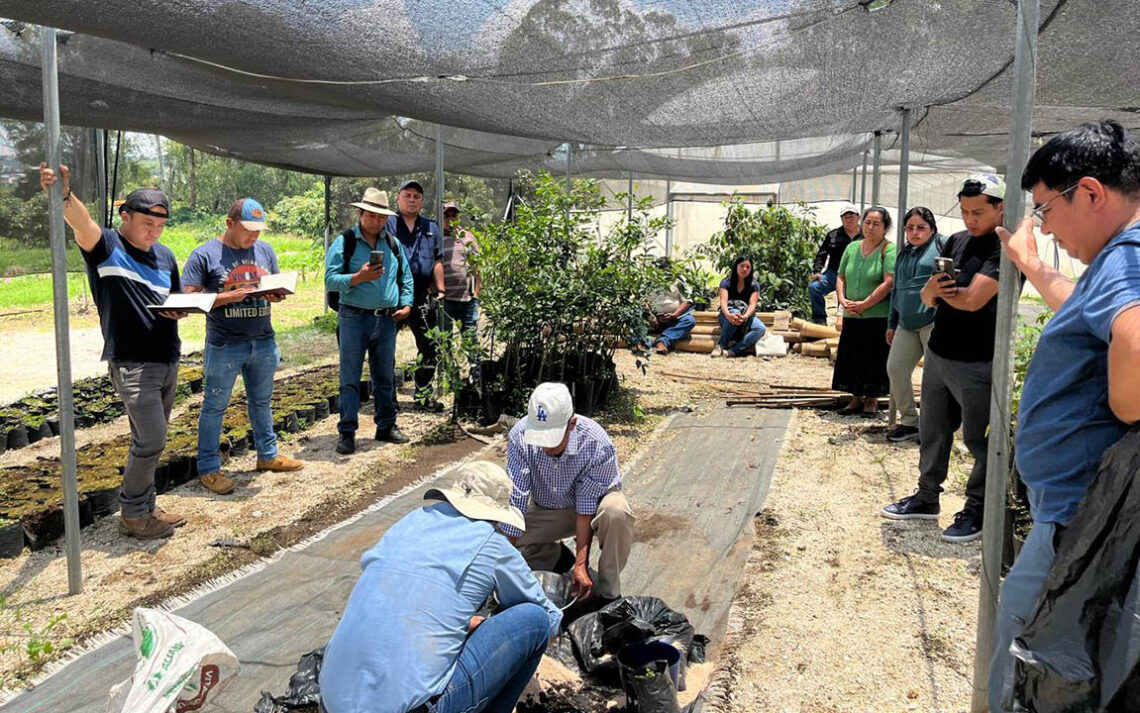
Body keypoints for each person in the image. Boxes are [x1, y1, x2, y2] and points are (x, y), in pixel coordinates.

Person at [986, 120, 1140, 711]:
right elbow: (1086, 308)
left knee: (1029, 659)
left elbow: (1133, 338)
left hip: (1079, 518)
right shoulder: (1119, 257)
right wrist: (1031, 263)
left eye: (1046, 209)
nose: (1046, 228)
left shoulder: (1127, 255)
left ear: (1091, 193)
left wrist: (1126, 405)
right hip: (1080, 512)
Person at [320, 461, 562, 713]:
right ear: (496, 514)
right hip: (413, 709)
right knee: (535, 619)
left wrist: (463, 623)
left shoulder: (409, 523)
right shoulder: (493, 545)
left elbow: (405, 599)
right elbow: (549, 616)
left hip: (331, 701)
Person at [38, 164, 187, 539]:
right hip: (133, 363)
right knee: (151, 439)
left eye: (160, 225)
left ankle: (147, 505)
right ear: (125, 216)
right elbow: (81, 223)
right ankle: (134, 514)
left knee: (151, 439)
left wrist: (180, 309)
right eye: (147, 223)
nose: (154, 231)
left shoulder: (165, 257)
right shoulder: (107, 247)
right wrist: (64, 195)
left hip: (167, 357)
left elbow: (175, 299)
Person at [881, 173, 1006, 543]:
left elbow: (973, 300)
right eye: (965, 211)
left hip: (979, 359)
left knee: (979, 440)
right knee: (933, 431)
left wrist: (939, 293)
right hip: (940, 351)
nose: (970, 219)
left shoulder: (1005, 247)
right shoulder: (956, 240)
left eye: (978, 212)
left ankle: (976, 509)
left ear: (1001, 208)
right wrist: (936, 291)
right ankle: (926, 496)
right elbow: (927, 296)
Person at [181, 198, 304, 495]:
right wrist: (227, 297)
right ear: (229, 223)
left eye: (258, 230)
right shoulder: (204, 255)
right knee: (214, 407)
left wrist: (276, 294)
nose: (254, 236)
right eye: (248, 229)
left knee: (261, 402)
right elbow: (187, 299)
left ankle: (268, 455)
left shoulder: (265, 250)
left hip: (263, 340)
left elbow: (273, 285)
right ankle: (209, 469)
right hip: (225, 344)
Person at [501, 382, 634, 604]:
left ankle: (609, 594)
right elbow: (516, 500)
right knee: (494, 527)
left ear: (571, 424)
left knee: (616, 511)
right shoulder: (519, 436)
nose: (545, 447)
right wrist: (501, 562)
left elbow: (586, 507)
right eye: (540, 438)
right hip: (548, 512)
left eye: (551, 439)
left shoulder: (595, 442)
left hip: (593, 513)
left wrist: (582, 564)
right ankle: (553, 557)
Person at [325, 187, 414, 455]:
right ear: (361, 213)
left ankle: (386, 425)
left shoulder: (392, 244)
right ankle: (347, 432)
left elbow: (405, 277)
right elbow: (330, 280)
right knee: (350, 377)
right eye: (372, 215)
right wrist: (357, 278)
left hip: (385, 320)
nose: (377, 221)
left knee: (385, 376)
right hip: (353, 318)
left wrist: (407, 304)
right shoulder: (345, 242)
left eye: (381, 216)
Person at [885, 207, 944, 442]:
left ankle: (934, 427)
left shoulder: (942, 246)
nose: (915, 232)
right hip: (906, 323)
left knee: (934, 378)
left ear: (932, 229)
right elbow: (896, 290)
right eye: (910, 228)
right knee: (896, 368)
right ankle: (910, 421)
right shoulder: (904, 254)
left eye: (921, 227)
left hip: (933, 322)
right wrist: (892, 323)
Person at [386, 180, 446, 412]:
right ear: (398, 198)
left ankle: (422, 396)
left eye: (417, 196)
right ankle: (389, 399)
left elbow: (437, 260)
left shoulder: (431, 227)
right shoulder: (388, 223)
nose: (412, 200)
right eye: (407, 195)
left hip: (422, 298)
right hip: (393, 297)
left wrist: (440, 289)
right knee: (385, 349)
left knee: (430, 346)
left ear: (422, 201)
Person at [832, 207, 896, 416]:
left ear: (885, 228)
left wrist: (865, 304)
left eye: (876, 224)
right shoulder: (852, 248)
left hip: (876, 315)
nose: (870, 227)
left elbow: (889, 282)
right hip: (852, 313)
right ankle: (855, 397)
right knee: (852, 356)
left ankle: (872, 400)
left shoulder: (889, 249)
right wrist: (842, 299)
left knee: (873, 357)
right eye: (867, 222)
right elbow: (841, 276)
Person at [809, 202, 862, 324]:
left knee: (846, 301)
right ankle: (819, 320)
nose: (849, 220)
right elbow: (822, 254)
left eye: (852, 217)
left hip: (857, 275)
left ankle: (847, 323)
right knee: (814, 288)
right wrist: (817, 271)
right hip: (833, 274)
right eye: (846, 217)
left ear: (858, 217)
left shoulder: (865, 235)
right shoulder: (833, 235)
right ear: (842, 219)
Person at [439, 201, 480, 337]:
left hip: (467, 300)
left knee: (471, 340)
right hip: (445, 300)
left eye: (454, 215)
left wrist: (476, 294)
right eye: (446, 215)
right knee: (445, 341)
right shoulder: (436, 238)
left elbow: (477, 267)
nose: (450, 219)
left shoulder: (467, 237)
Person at [713, 256, 766, 358]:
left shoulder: (754, 284)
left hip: (746, 316)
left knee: (760, 328)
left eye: (748, 267)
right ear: (736, 266)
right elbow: (723, 302)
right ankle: (720, 345)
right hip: (727, 315)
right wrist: (728, 315)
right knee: (735, 312)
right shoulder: (726, 282)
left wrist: (745, 316)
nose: (744, 269)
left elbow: (752, 304)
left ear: (751, 269)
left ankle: (733, 351)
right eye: (742, 266)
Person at [648, 257, 694, 355]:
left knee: (689, 321)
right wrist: (650, 316)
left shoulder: (680, 280)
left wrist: (675, 315)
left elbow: (687, 301)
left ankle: (663, 341)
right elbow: (645, 300)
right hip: (655, 319)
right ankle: (646, 342)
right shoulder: (650, 280)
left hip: (675, 318)